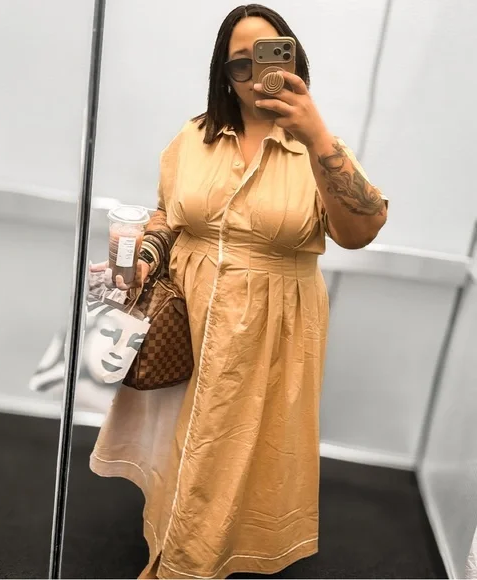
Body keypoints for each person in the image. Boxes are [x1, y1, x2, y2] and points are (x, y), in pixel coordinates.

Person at [89, 4, 388, 579]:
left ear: (293, 60)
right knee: (184, 444)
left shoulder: (320, 150)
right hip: (189, 315)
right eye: (239, 64)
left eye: (269, 57)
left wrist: (315, 133)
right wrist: (141, 259)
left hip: (272, 330)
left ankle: (193, 564)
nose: (255, 75)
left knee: (235, 453)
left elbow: (361, 231)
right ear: (224, 76)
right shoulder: (194, 137)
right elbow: (168, 214)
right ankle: (172, 549)